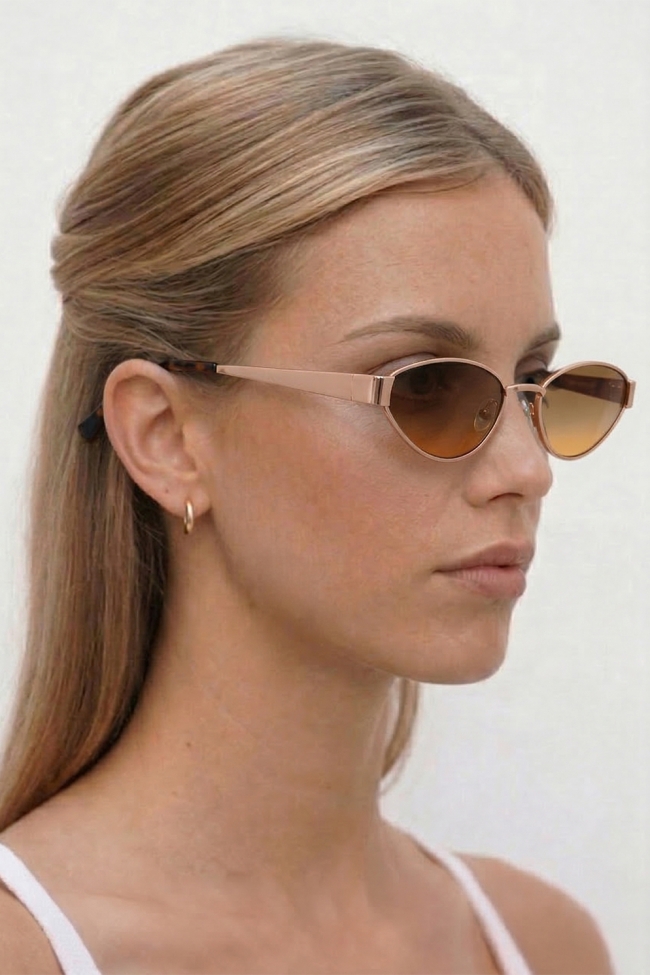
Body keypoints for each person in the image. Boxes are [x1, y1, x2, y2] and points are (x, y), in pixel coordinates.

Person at [0, 37, 633, 974]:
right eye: (426, 386)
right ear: (167, 437)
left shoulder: (544, 945)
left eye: (536, 380)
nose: (527, 468)